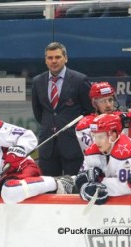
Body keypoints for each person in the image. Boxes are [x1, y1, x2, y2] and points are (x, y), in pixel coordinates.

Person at [31, 42, 93, 176]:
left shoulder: (80, 80)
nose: (54, 61)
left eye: (58, 57)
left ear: (66, 58)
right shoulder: (37, 81)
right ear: (45, 60)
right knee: (48, 188)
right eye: (50, 58)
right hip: (48, 146)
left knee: (75, 187)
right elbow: (38, 113)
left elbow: (89, 112)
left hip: (73, 145)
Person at [75, 114, 131, 205]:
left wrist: (100, 184)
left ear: (113, 136)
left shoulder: (128, 151)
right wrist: (84, 186)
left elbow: (128, 185)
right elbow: (83, 177)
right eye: (94, 136)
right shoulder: (93, 150)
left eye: (100, 137)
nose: (96, 141)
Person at [75, 81, 131, 152]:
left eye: (110, 100)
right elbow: (101, 150)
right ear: (94, 104)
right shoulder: (85, 125)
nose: (108, 105)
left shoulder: (125, 117)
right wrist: (119, 122)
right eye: (103, 101)